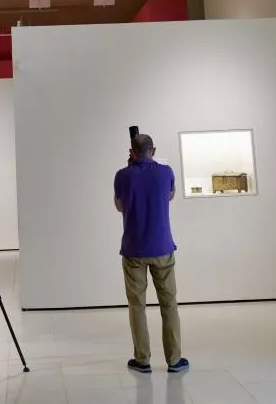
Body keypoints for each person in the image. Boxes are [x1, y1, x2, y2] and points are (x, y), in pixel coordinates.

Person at [113, 133, 189, 374]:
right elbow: (169, 196)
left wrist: (130, 170)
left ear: (131, 152)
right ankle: (174, 360)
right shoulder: (166, 172)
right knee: (169, 305)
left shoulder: (122, 176)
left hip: (134, 249)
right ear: (153, 150)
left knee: (137, 306)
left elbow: (119, 206)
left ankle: (142, 360)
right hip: (163, 249)